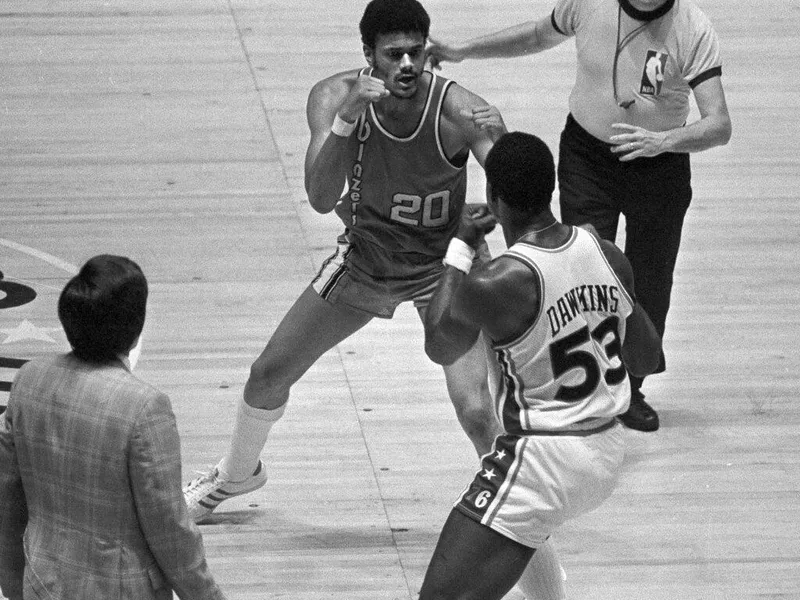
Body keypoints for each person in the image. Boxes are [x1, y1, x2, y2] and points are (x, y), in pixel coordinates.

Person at [183, 0, 506, 522]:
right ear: (368, 56)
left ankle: (510, 512)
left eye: (416, 53)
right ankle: (234, 474)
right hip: (366, 260)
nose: (406, 65)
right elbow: (318, 194)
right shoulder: (334, 97)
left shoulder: (460, 110)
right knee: (267, 374)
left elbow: (519, 189)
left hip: (444, 265)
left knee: (475, 411)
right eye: (393, 54)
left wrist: (506, 149)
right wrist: (347, 119)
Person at [427, 0, 732, 432]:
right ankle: (573, 379)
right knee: (577, 267)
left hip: (660, 164)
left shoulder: (693, 29)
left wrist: (662, 141)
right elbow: (536, 35)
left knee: (650, 279)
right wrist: (463, 50)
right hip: (588, 157)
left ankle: (629, 391)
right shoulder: (590, 2)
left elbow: (719, 124)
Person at [418, 131, 662, 600]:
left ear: (495, 198)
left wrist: (458, 250)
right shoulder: (605, 254)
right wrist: (616, 299)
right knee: (526, 533)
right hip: (607, 451)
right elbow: (646, 358)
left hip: (544, 454)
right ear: (550, 188)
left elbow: (439, 345)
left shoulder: (499, 280)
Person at [0, 255, 226, 600]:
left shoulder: (29, 380)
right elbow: (169, 530)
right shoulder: (144, 408)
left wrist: (12, 583)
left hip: (41, 582)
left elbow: (7, 499)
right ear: (136, 328)